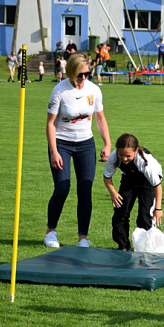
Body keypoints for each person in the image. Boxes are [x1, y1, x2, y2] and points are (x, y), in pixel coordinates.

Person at [44, 52, 112, 249]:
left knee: (85, 190)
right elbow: (50, 124)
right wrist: (54, 151)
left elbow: (100, 118)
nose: (83, 78)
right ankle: (50, 232)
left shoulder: (94, 90)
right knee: (62, 188)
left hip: (85, 144)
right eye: (80, 75)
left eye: (87, 74)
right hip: (62, 144)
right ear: (71, 72)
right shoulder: (59, 91)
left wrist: (107, 143)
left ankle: (83, 238)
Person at [103, 133, 163, 250]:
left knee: (145, 216)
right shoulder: (114, 156)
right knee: (120, 212)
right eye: (121, 155)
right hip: (129, 179)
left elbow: (157, 185)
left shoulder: (145, 162)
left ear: (135, 151)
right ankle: (123, 246)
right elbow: (107, 176)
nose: (124, 159)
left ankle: (145, 248)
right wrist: (113, 193)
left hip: (148, 183)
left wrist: (158, 208)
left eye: (128, 156)